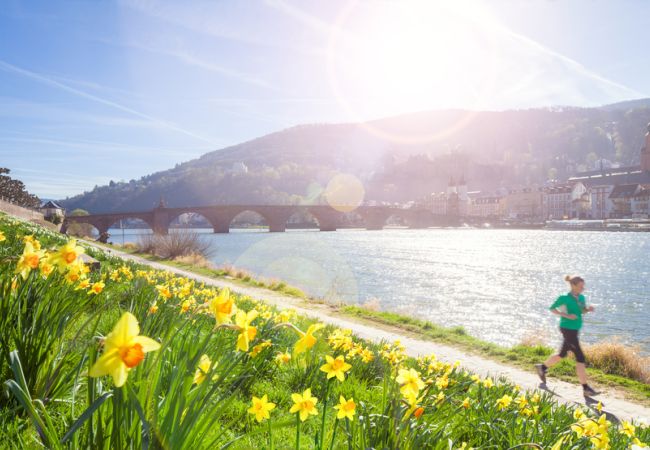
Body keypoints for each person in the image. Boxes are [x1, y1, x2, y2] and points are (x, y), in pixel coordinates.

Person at [535, 275, 598, 396]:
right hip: (567, 328)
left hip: (575, 329)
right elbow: (552, 309)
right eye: (580, 286)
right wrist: (567, 316)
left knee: (562, 354)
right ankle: (585, 388)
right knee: (580, 357)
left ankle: (542, 368)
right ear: (573, 285)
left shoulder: (581, 297)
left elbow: (581, 310)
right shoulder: (564, 298)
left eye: (583, 286)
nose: (583, 288)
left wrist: (587, 310)